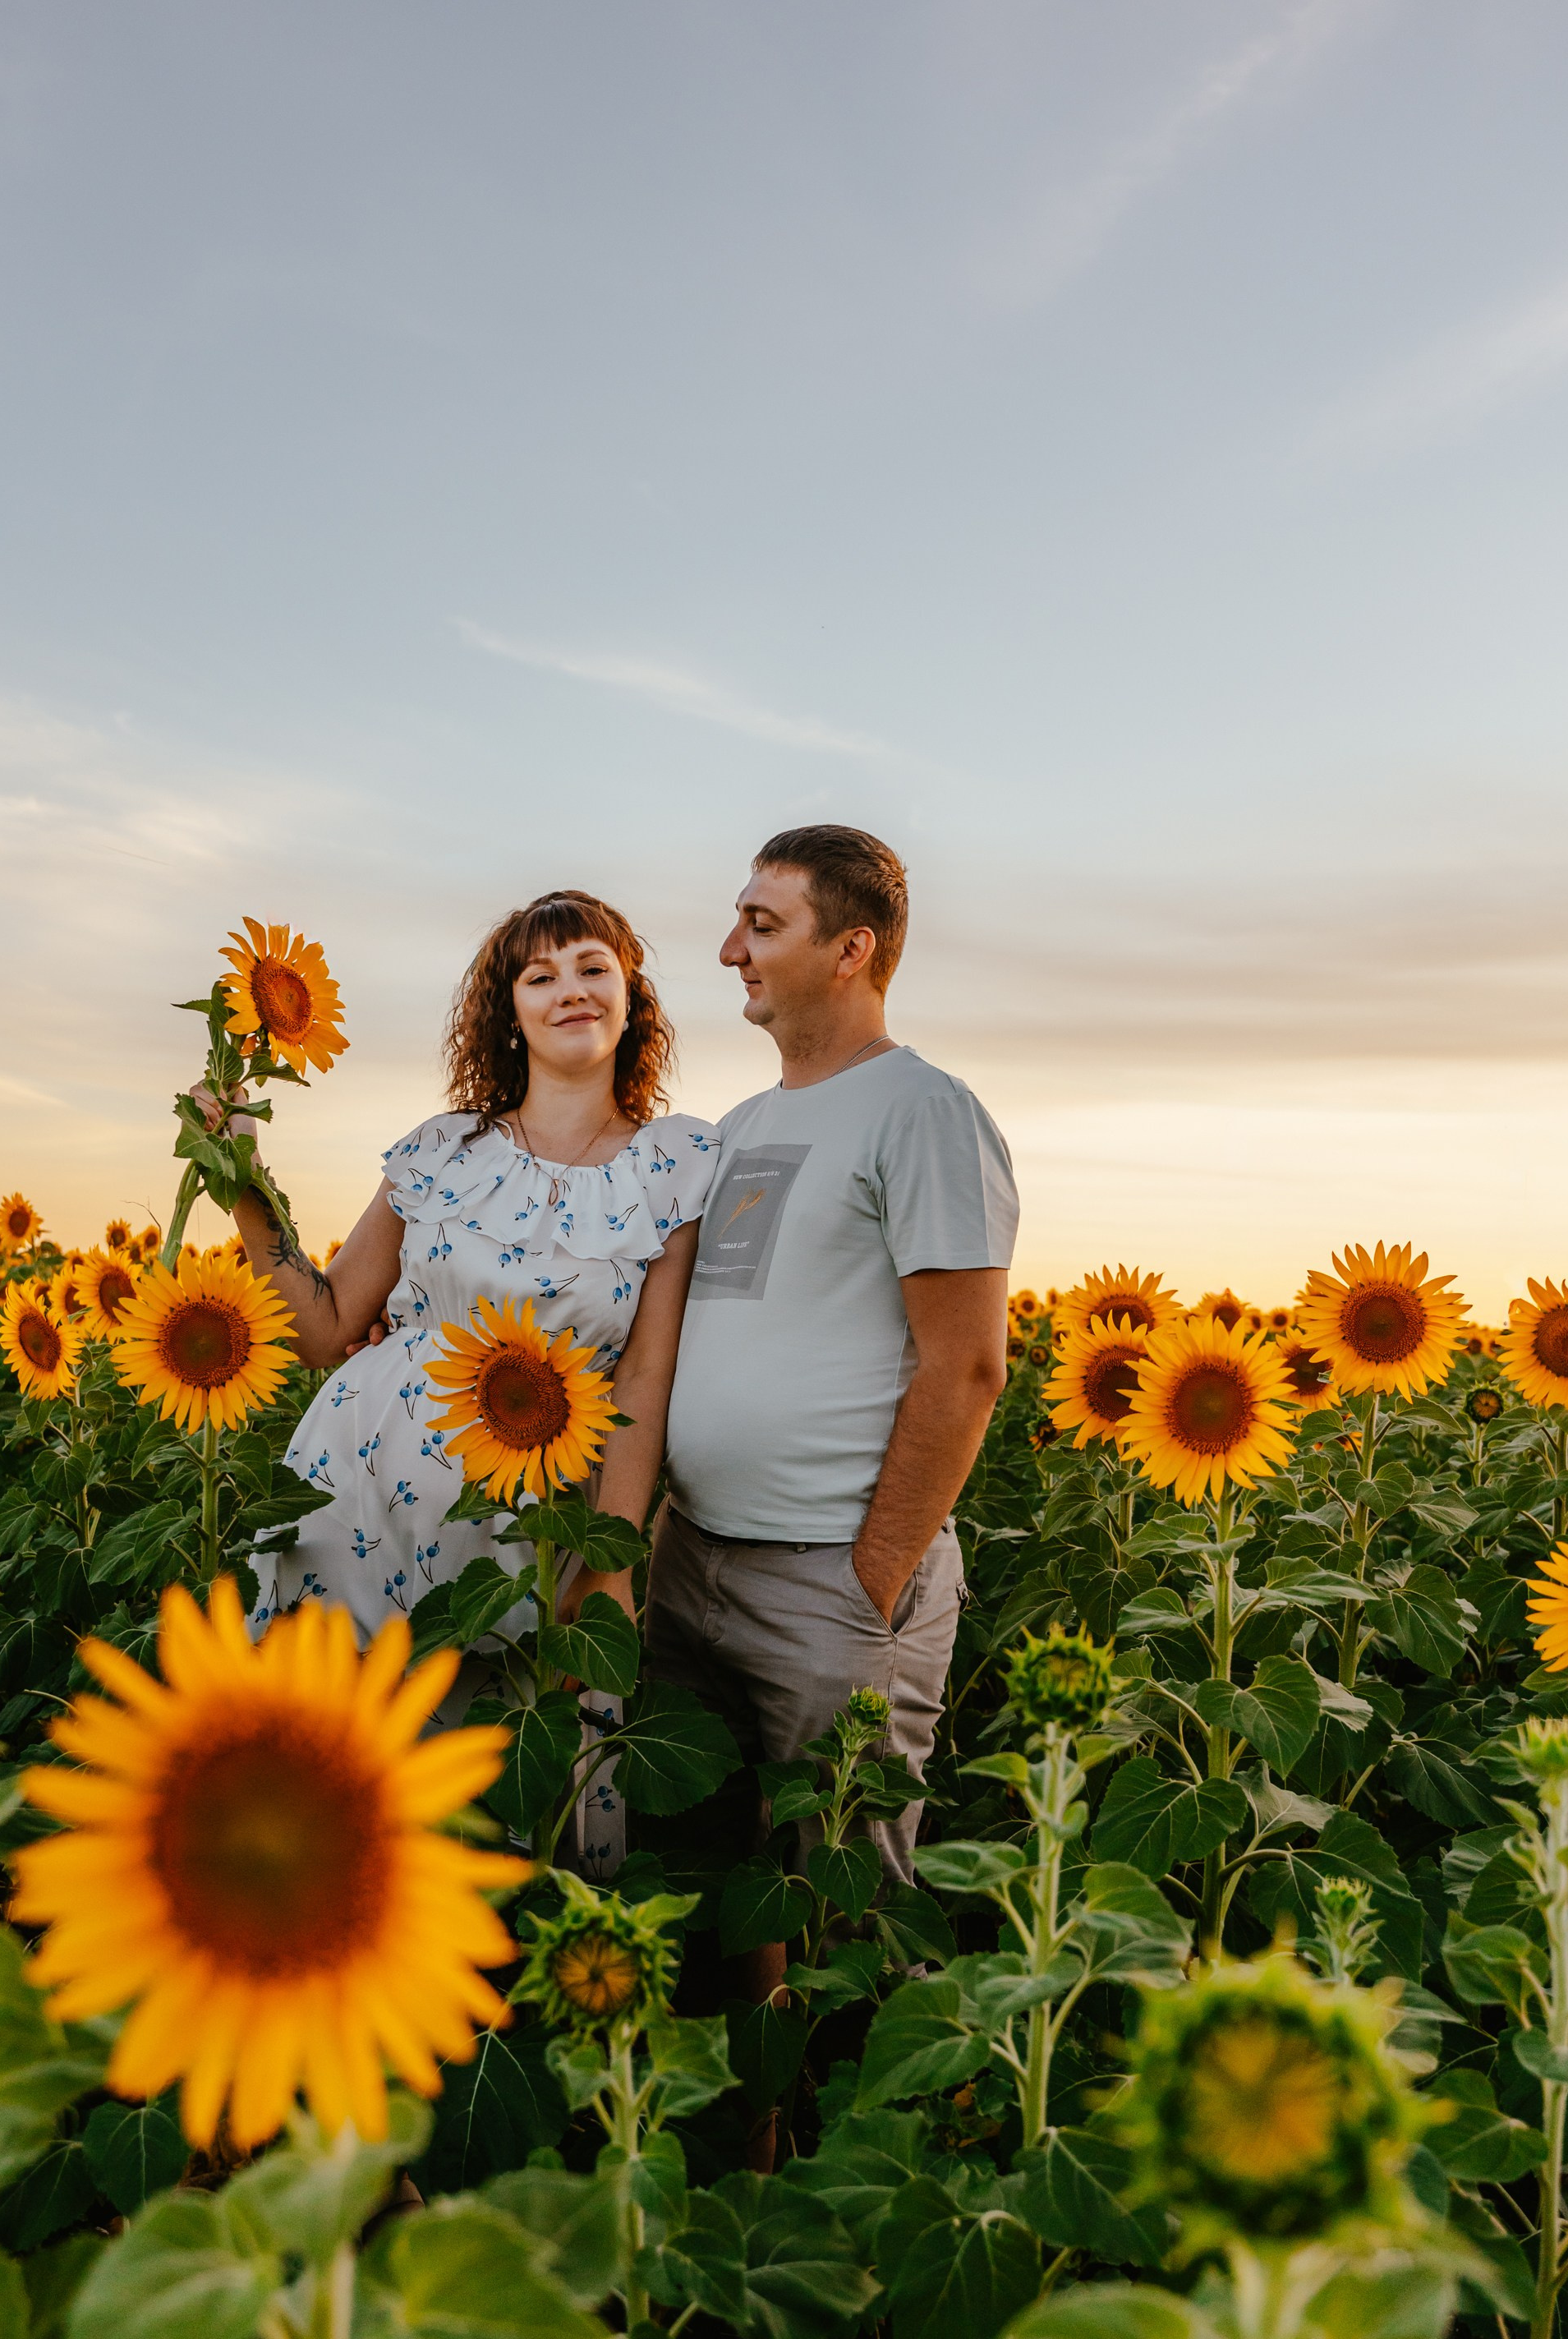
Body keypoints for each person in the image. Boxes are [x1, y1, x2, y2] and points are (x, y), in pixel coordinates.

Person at [194, 889, 718, 1873]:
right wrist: (244, 1184)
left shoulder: (674, 1165)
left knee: (512, 1793)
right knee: (331, 1795)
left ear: (632, 996)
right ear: (509, 1013)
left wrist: (609, 1563)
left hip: (533, 1537)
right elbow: (325, 1326)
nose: (570, 990)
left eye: (593, 967)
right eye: (540, 976)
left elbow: (645, 1378)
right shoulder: (443, 1151)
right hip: (352, 1511)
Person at [647, 823, 1016, 1946]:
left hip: (830, 1585)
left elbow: (967, 1366)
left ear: (851, 949)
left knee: (841, 1916)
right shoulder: (744, 1127)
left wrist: (872, 1580)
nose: (731, 950)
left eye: (762, 926)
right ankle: (750, 2076)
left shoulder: (923, 1111)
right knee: (721, 1895)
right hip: (693, 1564)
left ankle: (845, 2075)